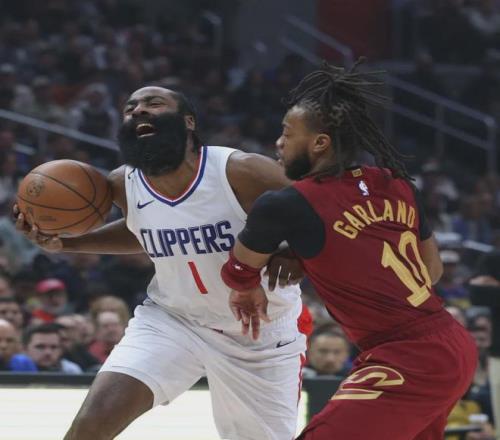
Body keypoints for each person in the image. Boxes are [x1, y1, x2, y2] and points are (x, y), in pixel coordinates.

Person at [15, 85, 306, 440]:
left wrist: (297, 252)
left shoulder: (240, 171)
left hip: (258, 331)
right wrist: (67, 243)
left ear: (188, 122)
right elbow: (140, 230)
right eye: (130, 108)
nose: (138, 111)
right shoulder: (123, 183)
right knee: (89, 428)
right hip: (172, 320)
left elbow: (320, 210)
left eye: (154, 104)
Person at [220, 61, 478, 440]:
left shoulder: (287, 204)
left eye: (287, 133)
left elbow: (238, 270)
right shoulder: (396, 183)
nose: (279, 143)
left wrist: (253, 283)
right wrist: (322, 255)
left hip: (405, 356)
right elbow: (432, 271)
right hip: (452, 342)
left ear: (320, 143)